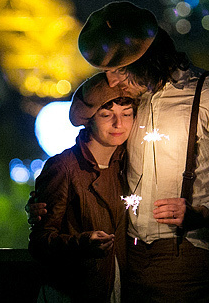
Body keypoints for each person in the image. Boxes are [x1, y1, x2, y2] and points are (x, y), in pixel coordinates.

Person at [30, 1, 209, 302]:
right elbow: (93, 148)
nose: (111, 81)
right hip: (125, 257)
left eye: (118, 69)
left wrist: (205, 213)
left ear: (146, 59)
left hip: (186, 256)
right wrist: (50, 201)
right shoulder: (134, 100)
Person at [29, 72, 137, 303]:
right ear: (89, 118)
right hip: (75, 289)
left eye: (126, 114)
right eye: (107, 115)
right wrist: (82, 243)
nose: (119, 124)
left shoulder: (131, 163)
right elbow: (40, 243)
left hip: (121, 286)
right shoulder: (64, 167)